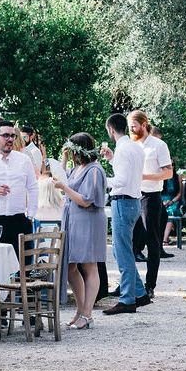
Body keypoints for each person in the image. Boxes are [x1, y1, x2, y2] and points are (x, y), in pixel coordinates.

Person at [53, 133, 107, 330]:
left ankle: (87, 314)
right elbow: (62, 178)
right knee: (70, 266)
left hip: (88, 220)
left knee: (89, 265)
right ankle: (80, 309)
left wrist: (64, 188)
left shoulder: (94, 170)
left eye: (72, 150)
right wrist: (64, 158)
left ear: (81, 150)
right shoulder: (77, 168)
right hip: (73, 220)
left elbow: (86, 200)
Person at [101, 113, 151, 315]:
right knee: (122, 250)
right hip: (134, 201)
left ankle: (127, 299)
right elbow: (129, 174)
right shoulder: (135, 147)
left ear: (111, 129)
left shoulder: (123, 149)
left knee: (122, 252)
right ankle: (140, 293)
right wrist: (112, 159)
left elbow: (121, 180)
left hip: (123, 202)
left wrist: (101, 179)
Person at [128, 110, 174, 299]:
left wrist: (144, 176)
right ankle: (128, 283)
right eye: (129, 127)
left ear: (144, 124)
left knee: (152, 241)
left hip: (150, 197)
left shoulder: (158, 145)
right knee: (129, 241)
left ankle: (150, 285)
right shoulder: (131, 145)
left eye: (134, 126)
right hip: (131, 195)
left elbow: (168, 173)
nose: (131, 129)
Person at [0, 120, 38, 255]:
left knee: (23, 264)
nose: (10, 139)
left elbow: (33, 187)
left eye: (13, 136)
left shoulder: (24, 160)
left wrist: (30, 215)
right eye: (6, 135)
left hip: (20, 221)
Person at [161, 160, 184, 246]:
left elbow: (179, 194)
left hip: (174, 200)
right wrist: (163, 202)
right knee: (159, 210)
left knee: (172, 211)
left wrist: (171, 201)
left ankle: (165, 239)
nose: (170, 166)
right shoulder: (161, 177)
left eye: (172, 165)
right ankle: (163, 238)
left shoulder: (178, 177)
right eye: (168, 165)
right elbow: (157, 192)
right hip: (161, 200)